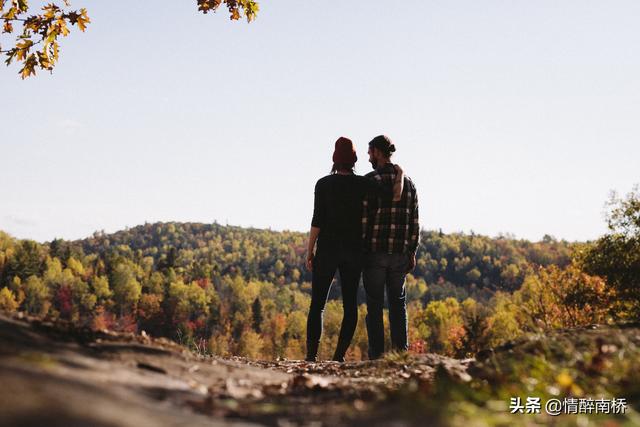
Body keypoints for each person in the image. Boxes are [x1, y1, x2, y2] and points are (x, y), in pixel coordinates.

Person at [305, 137, 403, 362]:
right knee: (350, 305)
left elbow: (317, 220)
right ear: (354, 160)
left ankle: (311, 357)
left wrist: (310, 250)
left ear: (334, 160)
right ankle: (338, 357)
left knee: (318, 304)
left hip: (328, 250)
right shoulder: (363, 184)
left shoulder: (323, 184)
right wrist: (399, 172)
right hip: (353, 251)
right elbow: (392, 196)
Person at [362, 135, 419, 360]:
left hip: (375, 253)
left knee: (374, 305)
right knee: (398, 305)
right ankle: (399, 355)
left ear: (377, 152)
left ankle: (377, 355)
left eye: (370, 153)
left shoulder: (370, 181)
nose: (368, 157)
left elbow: (364, 220)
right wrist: (412, 251)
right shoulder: (409, 184)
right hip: (399, 254)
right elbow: (415, 221)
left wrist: (362, 249)